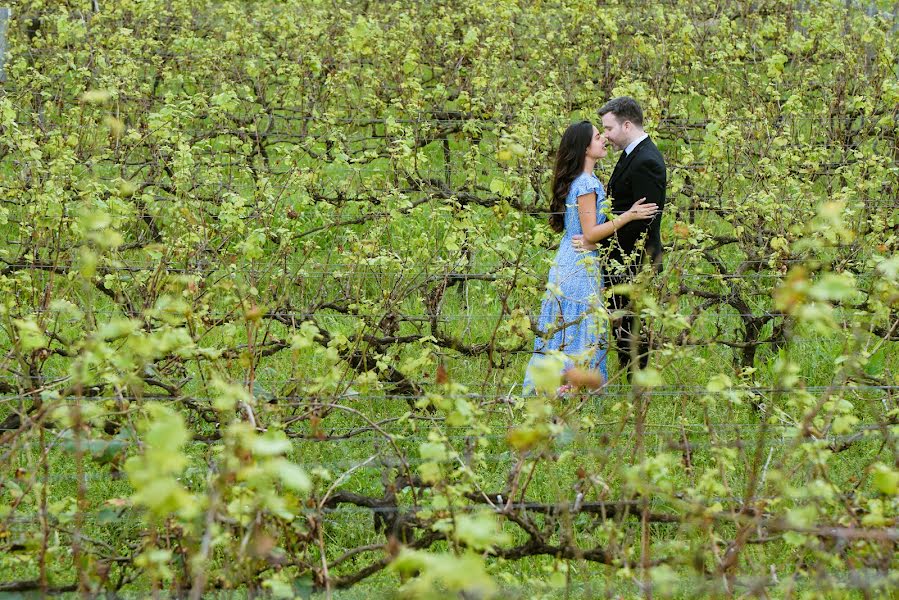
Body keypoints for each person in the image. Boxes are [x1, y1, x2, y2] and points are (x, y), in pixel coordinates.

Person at [523, 120, 659, 394]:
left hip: (573, 259)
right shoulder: (586, 184)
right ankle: (569, 391)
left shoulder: (584, 181)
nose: (604, 140)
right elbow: (591, 232)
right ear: (585, 148)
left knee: (569, 327)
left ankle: (560, 389)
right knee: (579, 326)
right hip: (578, 265)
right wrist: (629, 215)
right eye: (598, 137)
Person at [573, 97, 666, 377]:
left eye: (609, 129)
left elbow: (643, 221)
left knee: (630, 324)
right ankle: (631, 380)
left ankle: (636, 384)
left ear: (627, 125)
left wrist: (598, 241)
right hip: (620, 256)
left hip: (633, 257)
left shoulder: (647, 160)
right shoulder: (632, 154)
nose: (606, 136)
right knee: (622, 322)